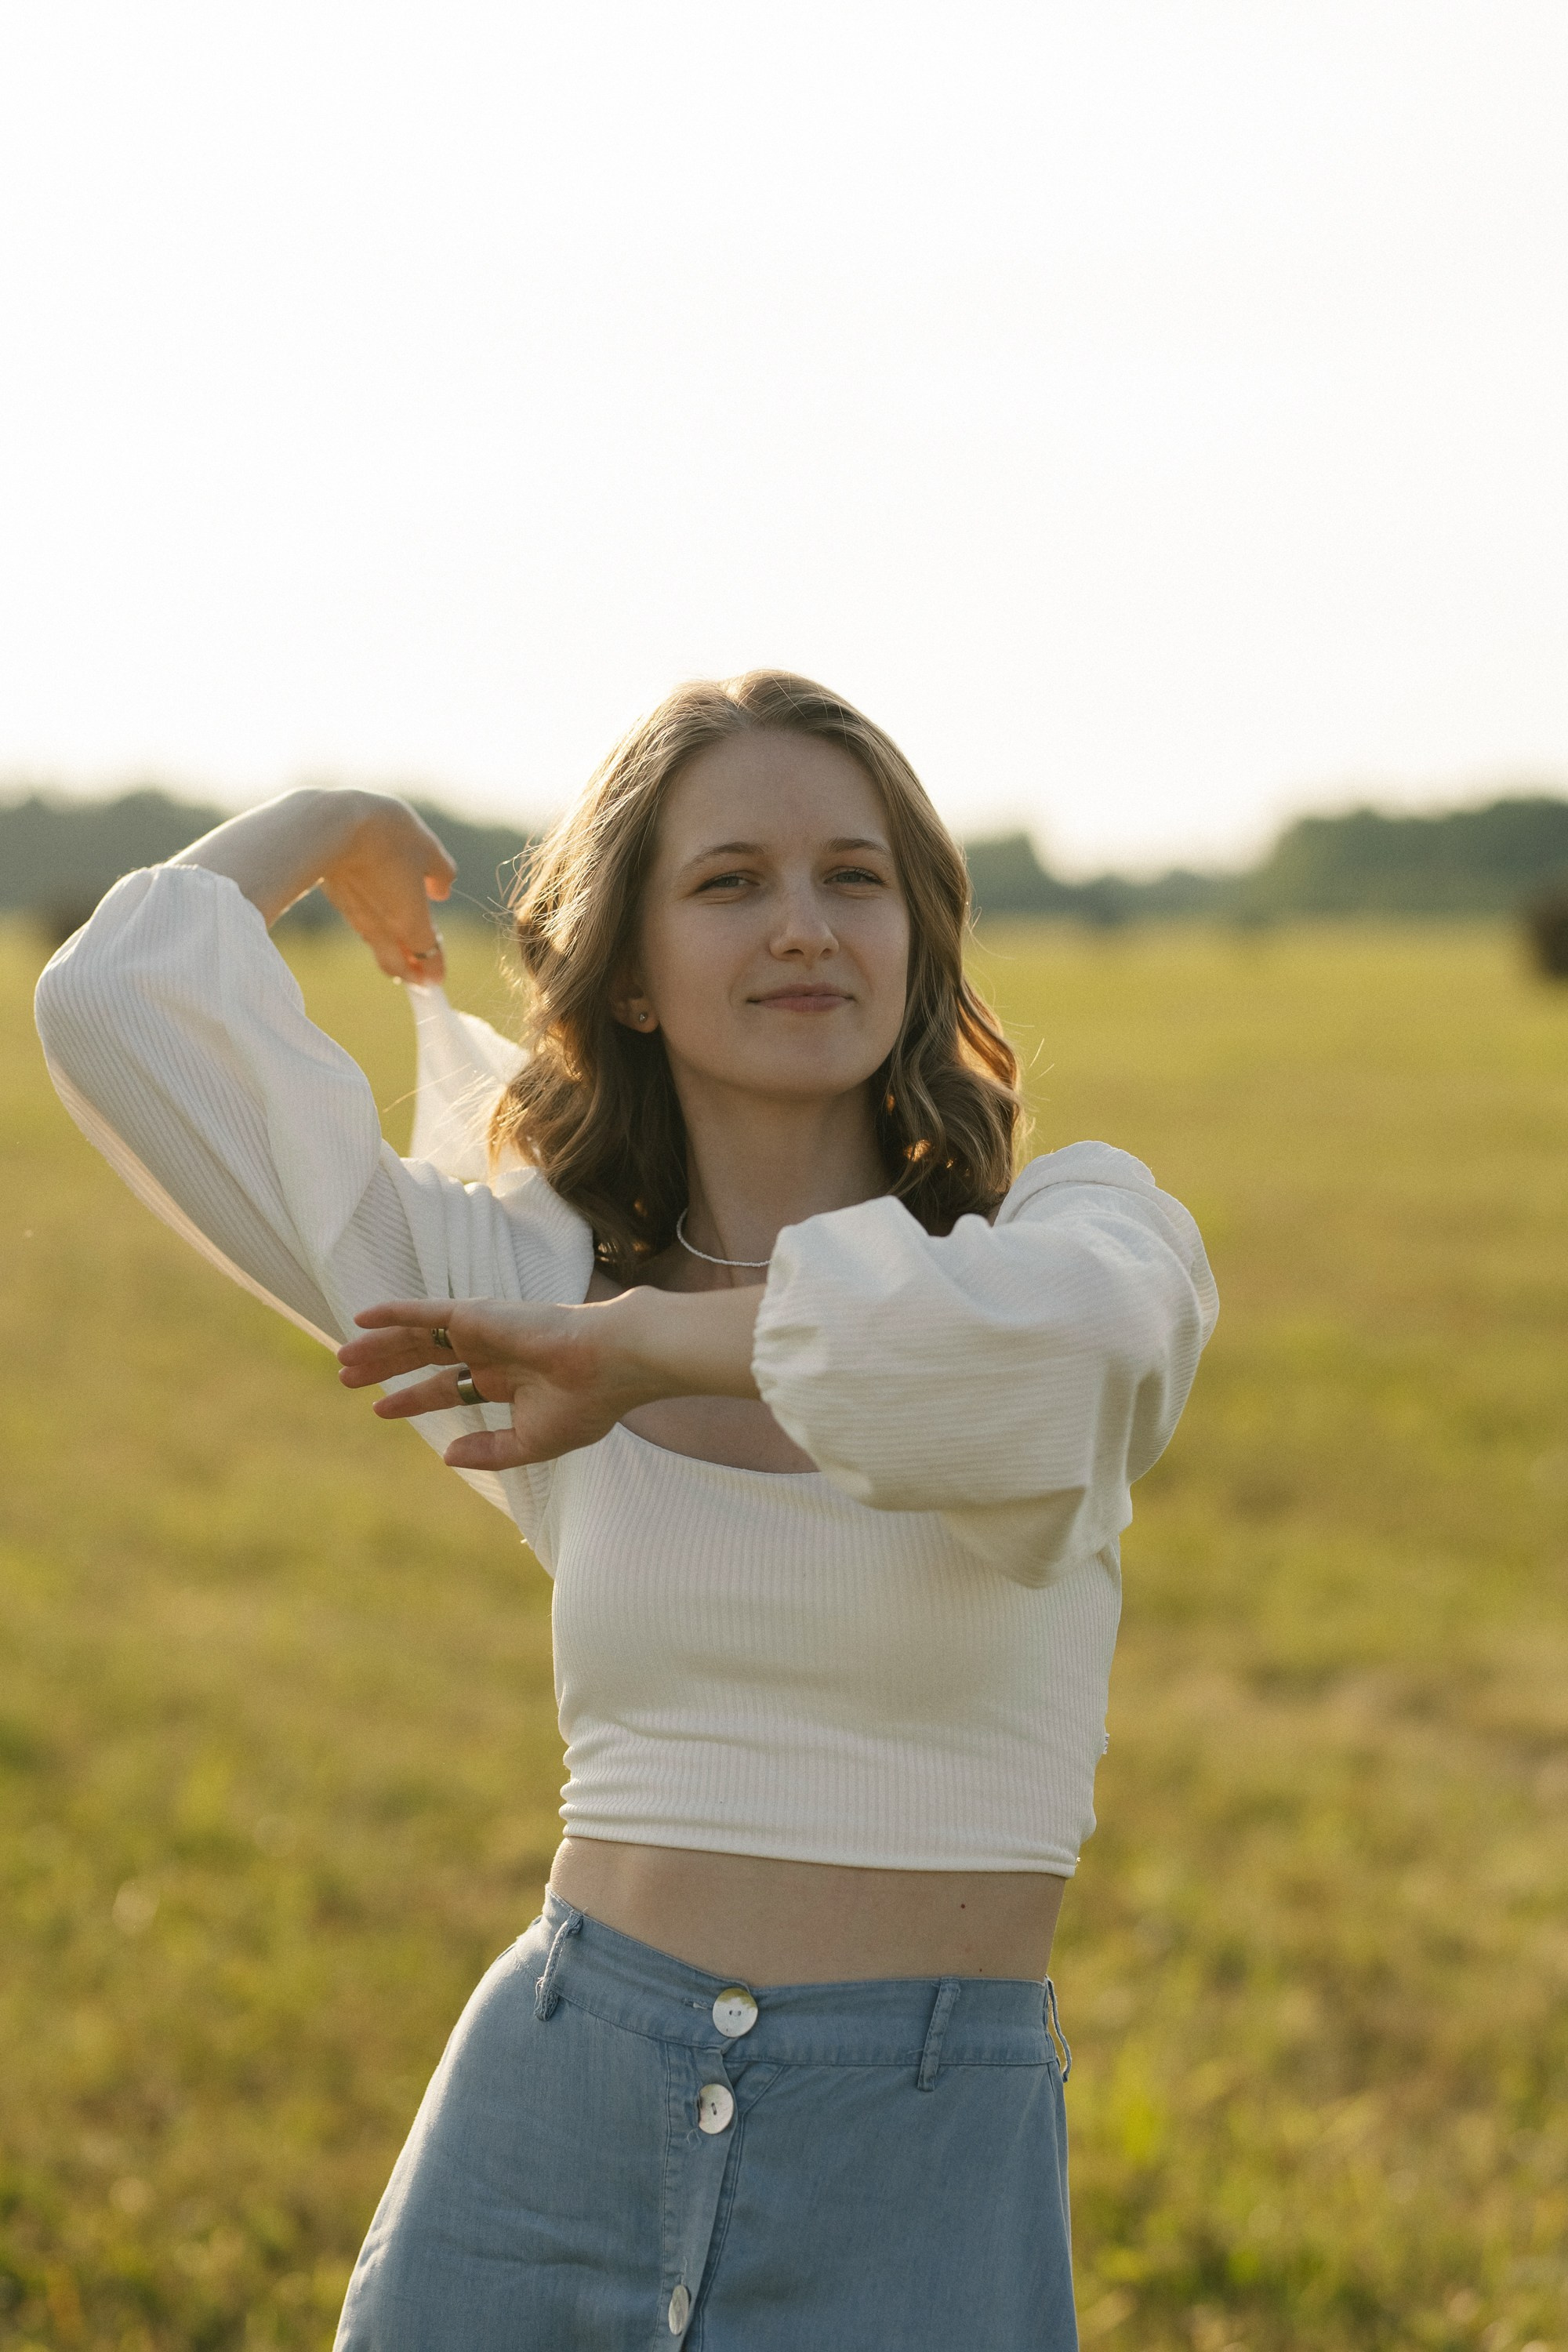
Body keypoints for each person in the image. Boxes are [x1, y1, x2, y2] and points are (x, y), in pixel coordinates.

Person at [35, 671, 1217, 2350]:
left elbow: (1053, 1365)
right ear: (636, 976)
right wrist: (330, 819)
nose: (803, 925)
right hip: (551, 2115)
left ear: (915, 938)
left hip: (918, 2158)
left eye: (852, 877)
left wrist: (642, 1349)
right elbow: (120, 1005)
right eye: (730, 881)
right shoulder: (522, 1279)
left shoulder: (1065, 1239)